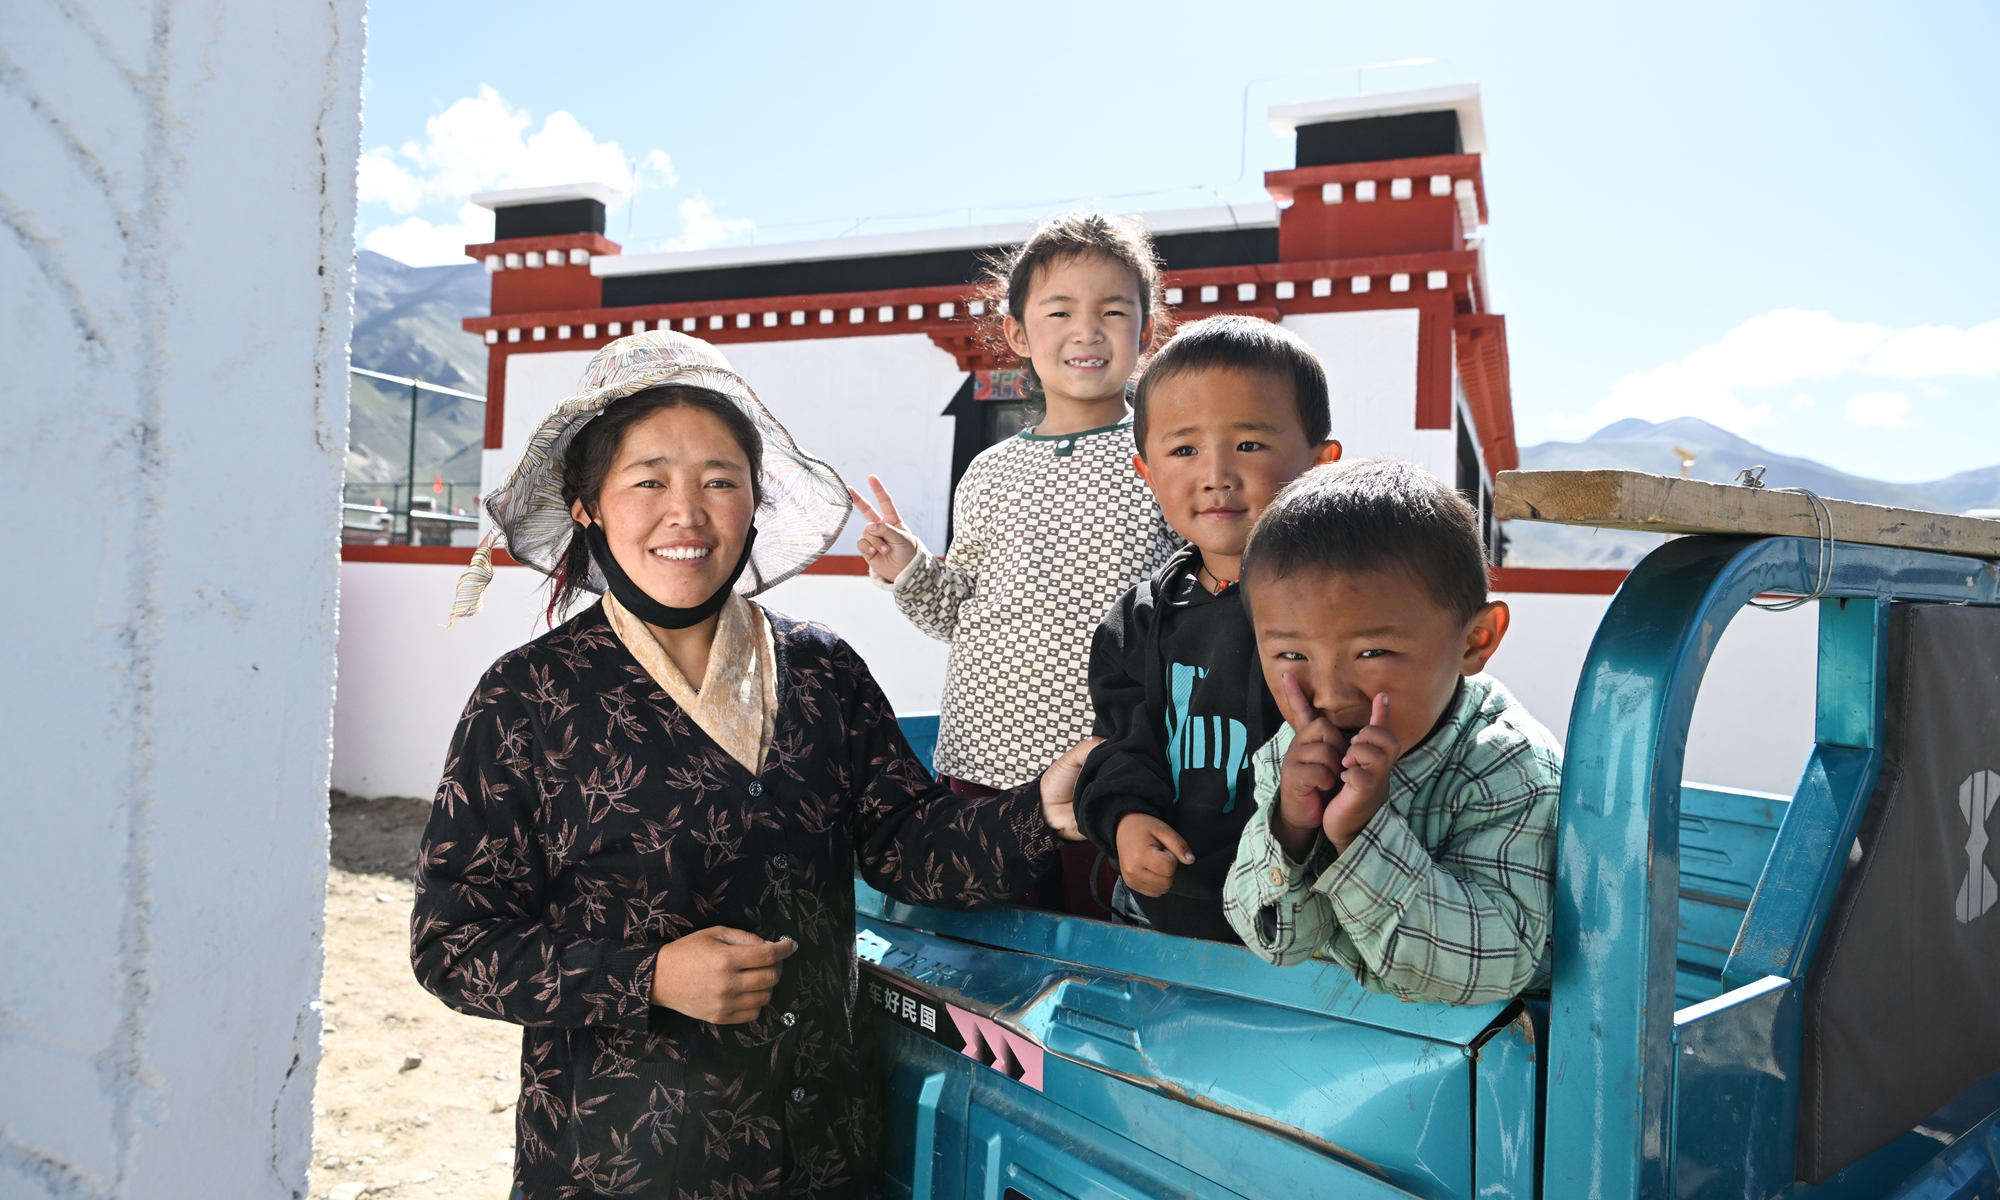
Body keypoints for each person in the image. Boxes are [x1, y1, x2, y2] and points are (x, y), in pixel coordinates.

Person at [416, 331, 1094, 1200]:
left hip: (822, 1153)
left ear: (754, 501)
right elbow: (455, 944)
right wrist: (649, 976)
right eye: (649, 479)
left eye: (720, 480)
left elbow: (902, 843)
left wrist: (1045, 810)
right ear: (588, 506)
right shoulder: (529, 699)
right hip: (618, 1160)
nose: (687, 512)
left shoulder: (823, 671)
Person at [849, 211, 1177, 912]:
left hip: (1111, 773)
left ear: (1145, 332)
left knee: (1106, 952)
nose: (1087, 331)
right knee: (989, 959)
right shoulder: (988, 472)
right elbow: (955, 612)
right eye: (1060, 311)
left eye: (1112, 311)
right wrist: (908, 567)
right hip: (983, 769)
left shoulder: (1167, 458)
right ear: (1021, 334)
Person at [1222, 460, 1563, 1004]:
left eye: (1372, 652)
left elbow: (1491, 969)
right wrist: (1290, 826)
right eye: (1291, 653)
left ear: (1476, 640)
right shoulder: (1294, 756)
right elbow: (1276, 943)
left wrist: (1363, 836)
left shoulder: (1507, 764)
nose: (1331, 694)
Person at [1072, 316, 1342, 941]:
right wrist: (1125, 820)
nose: (1216, 473)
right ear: (1147, 470)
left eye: (1249, 444)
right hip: (1173, 908)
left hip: (1311, 914)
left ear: (1321, 463)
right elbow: (1123, 745)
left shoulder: (1341, 613)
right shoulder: (1140, 619)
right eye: (1185, 449)